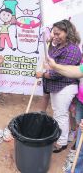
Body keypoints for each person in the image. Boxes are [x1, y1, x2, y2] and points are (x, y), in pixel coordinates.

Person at [36, 19, 82, 153]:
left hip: (65, 87)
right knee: (59, 113)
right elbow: (50, 58)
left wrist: (42, 74)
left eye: (58, 33)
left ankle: (61, 143)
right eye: (53, 33)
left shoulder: (72, 49)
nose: (55, 36)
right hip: (57, 87)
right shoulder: (58, 45)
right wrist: (50, 41)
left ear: (67, 32)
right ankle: (62, 138)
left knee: (60, 114)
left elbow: (58, 73)